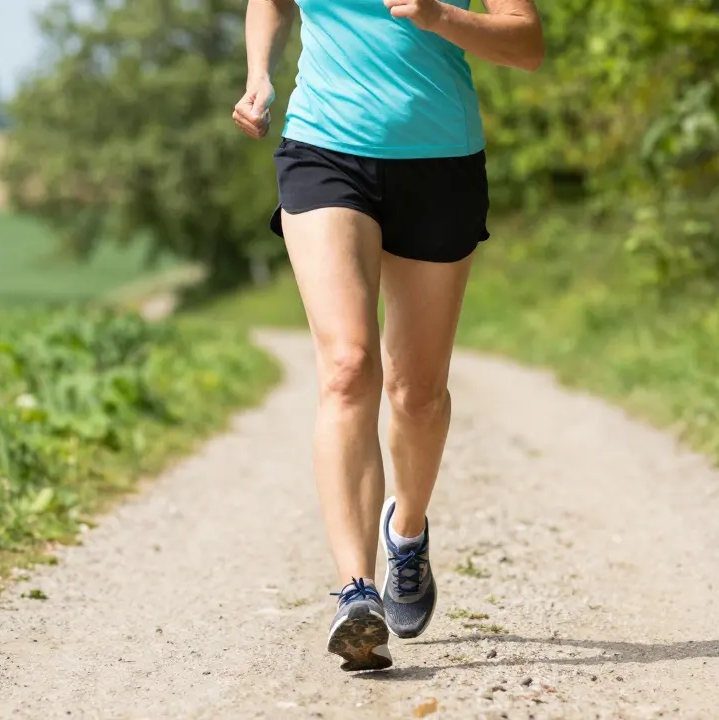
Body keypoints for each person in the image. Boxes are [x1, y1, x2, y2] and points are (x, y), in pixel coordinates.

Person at [233, 0, 543, 671]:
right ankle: (356, 591)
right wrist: (260, 72)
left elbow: (525, 44)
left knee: (418, 393)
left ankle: (407, 533)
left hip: (440, 163)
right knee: (346, 365)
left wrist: (438, 17)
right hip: (323, 148)